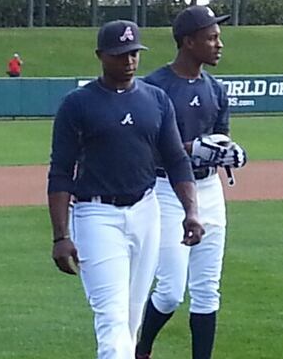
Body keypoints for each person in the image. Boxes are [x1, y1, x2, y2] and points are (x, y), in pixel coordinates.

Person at [47, 19, 206, 359]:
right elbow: (61, 172)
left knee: (132, 319)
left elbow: (177, 160)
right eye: (120, 54)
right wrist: (60, 236)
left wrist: (191, 211)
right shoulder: (77, 104)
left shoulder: (156, 100)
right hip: (96, 216)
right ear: (101, 55)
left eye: (134, 53)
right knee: (112, 319)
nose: (129, 61)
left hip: (147, 211)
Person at [135, 5, 247, 359]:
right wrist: (189, 148)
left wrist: (227, 151)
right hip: (167, 191)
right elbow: (142, 147)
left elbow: (219, 138)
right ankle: (142, 348)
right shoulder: (154, 86)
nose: (219, 44)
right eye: (211, 37)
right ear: (188, 41)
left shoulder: (215, 88)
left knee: (207, 289)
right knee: (169, 290)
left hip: (210, 190)